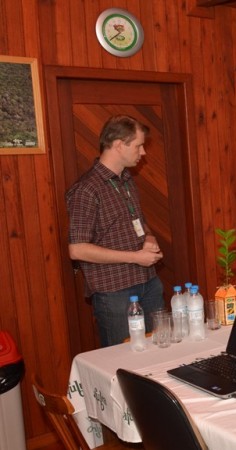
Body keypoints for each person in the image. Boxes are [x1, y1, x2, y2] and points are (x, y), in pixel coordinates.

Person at [66, 115, 164, 347]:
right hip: (115, 293)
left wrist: (149, 237)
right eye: (139, 146)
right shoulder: (86, 190)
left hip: (149, 282)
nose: (143, 153)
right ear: (119, 145)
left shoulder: (127, 180)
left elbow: (139, 220)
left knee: (160, 350)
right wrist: (135, 258)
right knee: (122, 361)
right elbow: (77, 250)